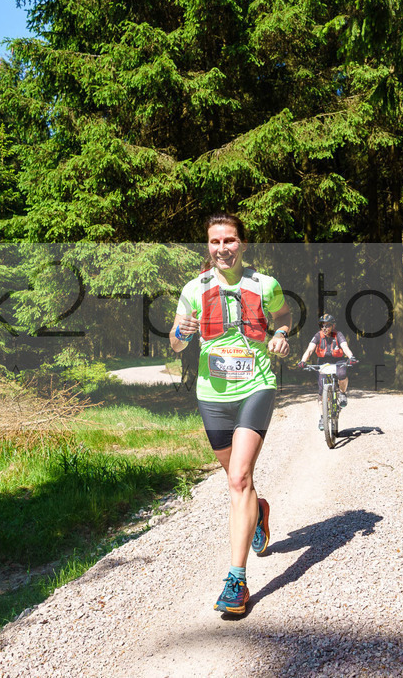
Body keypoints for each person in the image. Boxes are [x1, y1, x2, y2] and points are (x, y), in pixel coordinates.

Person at [170, 213, 291, 615]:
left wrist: (280, 334)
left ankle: (236, 580)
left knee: (239, 478)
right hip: (212, 394)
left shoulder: (264, 284)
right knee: (237, 479)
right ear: (208, 246)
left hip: (256, 387)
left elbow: (285, 316)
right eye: (215, 241)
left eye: (230, 240)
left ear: (242, 244)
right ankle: (258, 513)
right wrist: (183, 332)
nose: (222, 248)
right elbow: (174, 343)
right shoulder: (194, 288)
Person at [297, 313, 357, 430]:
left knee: (342, 374)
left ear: (333, 326)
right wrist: (303, 361)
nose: (324, 328)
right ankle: (322, 417)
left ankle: (343, 393)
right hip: (323, 362)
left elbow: (344, 347)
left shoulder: (338, 335)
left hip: (338, 360)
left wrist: (351, 357)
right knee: (321, 389)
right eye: (322, 325)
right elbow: (310, 349)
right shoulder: (317, 336)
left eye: (327, 325)